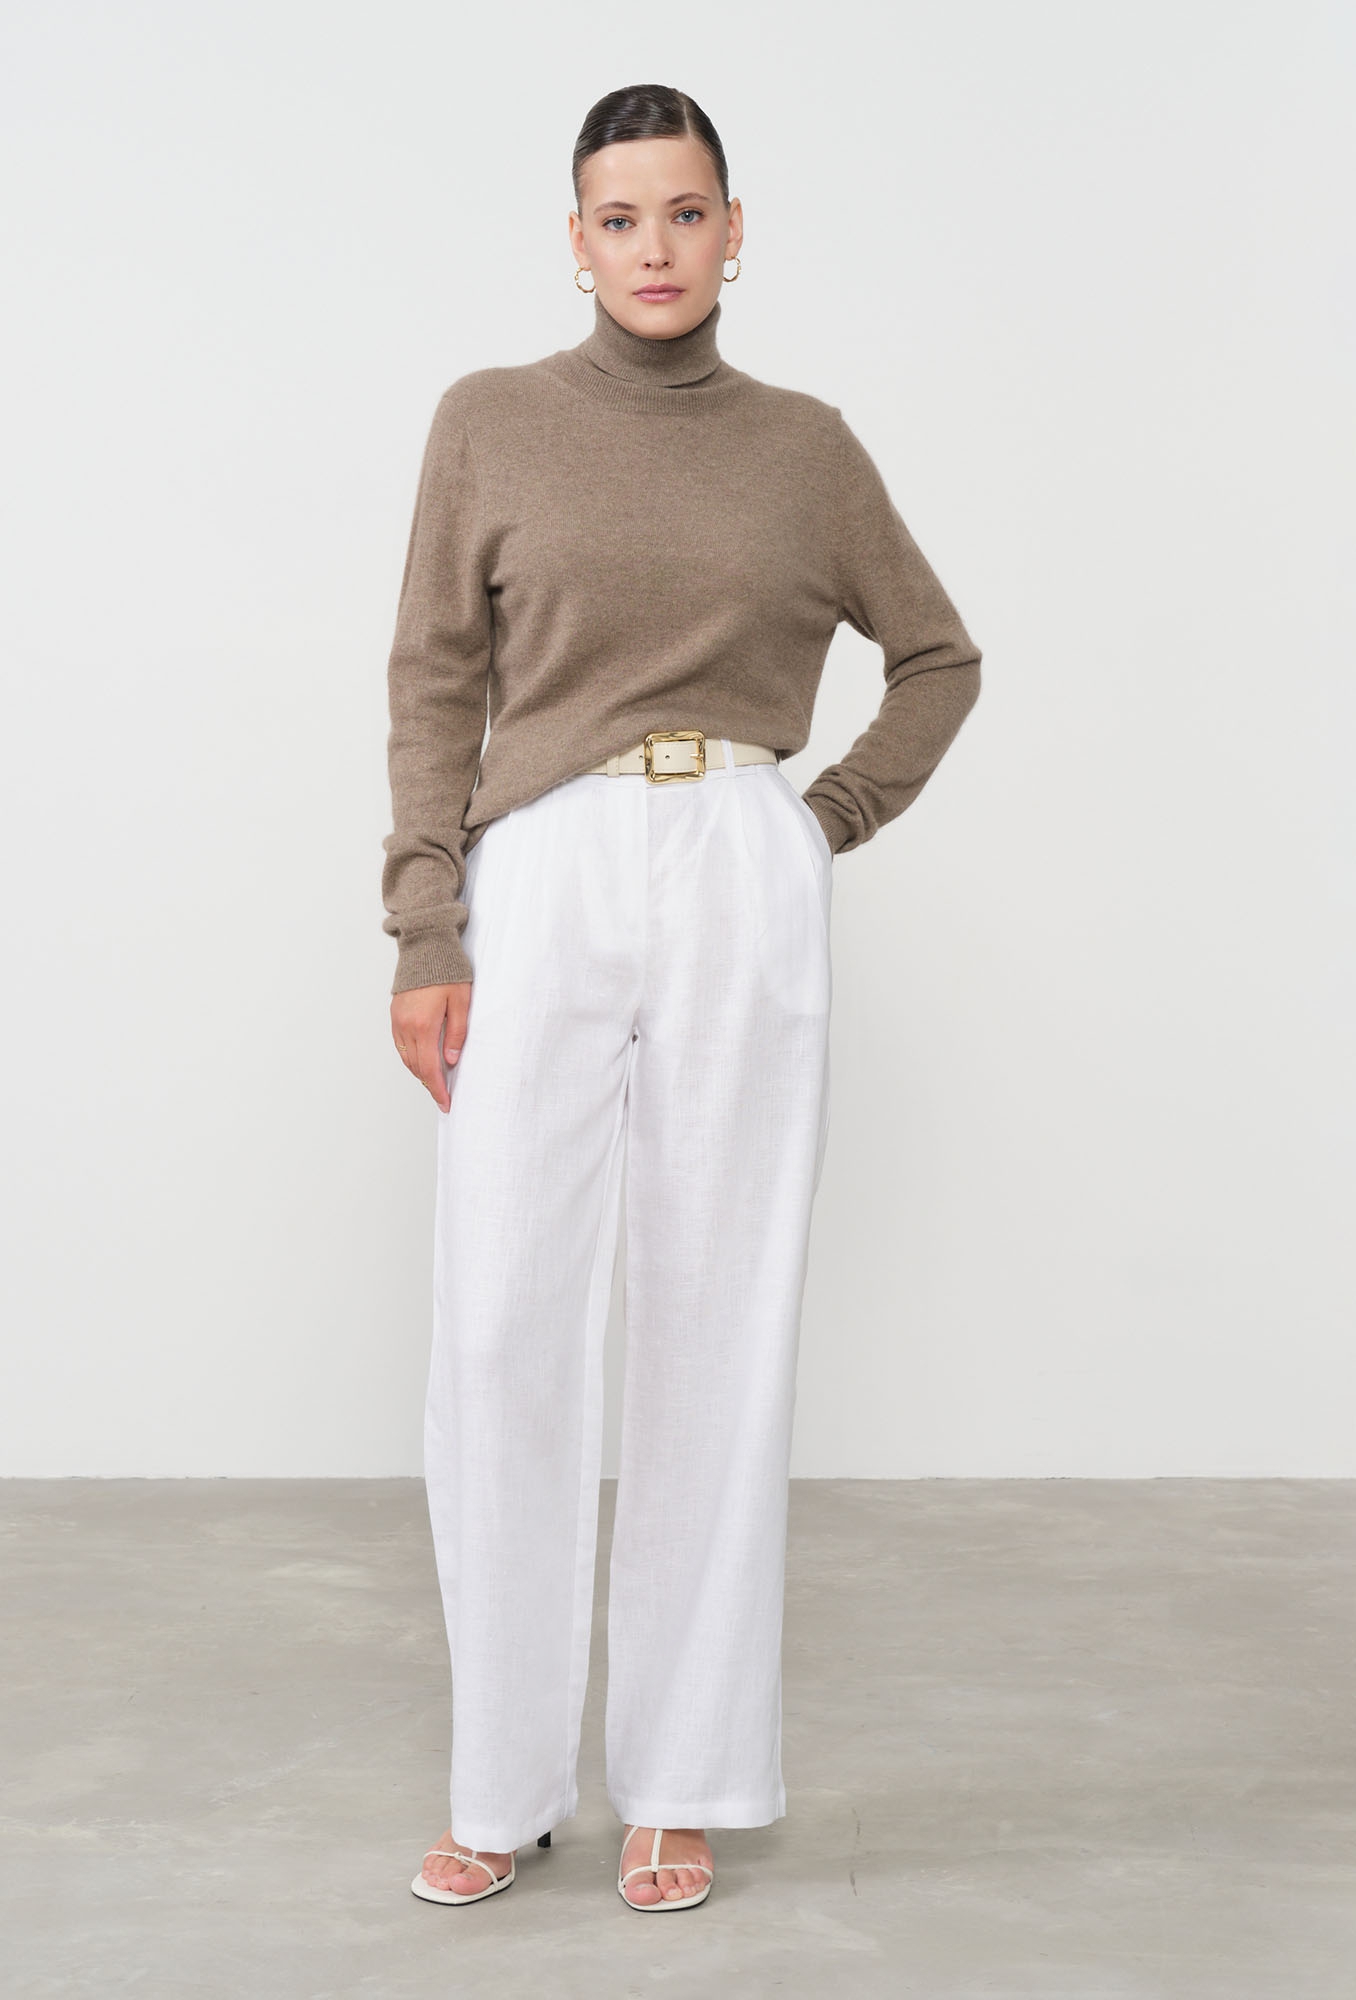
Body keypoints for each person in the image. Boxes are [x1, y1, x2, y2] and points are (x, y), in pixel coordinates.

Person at [382, 82, 981, 1911]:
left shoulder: (807, 448)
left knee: (722, 1312)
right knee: (501, 1323)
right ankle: (500, 1783)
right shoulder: (490, 420)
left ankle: (685, 1780)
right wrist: (425, 925)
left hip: (738, 862)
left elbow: (938, 656)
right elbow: (434, 678)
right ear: (576, 242)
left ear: (735, 230)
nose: (656, 247)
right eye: (621, 217)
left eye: (687, 211)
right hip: (545, 870)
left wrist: (821, 821)